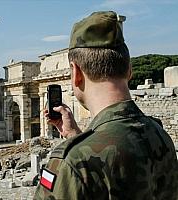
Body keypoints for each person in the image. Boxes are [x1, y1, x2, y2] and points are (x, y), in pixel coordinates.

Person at [34, 11, 178, 200]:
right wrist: (77, 136)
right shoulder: (159, 134)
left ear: (76, 73)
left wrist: (78, 145)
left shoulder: (72, 163)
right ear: (130, 70)